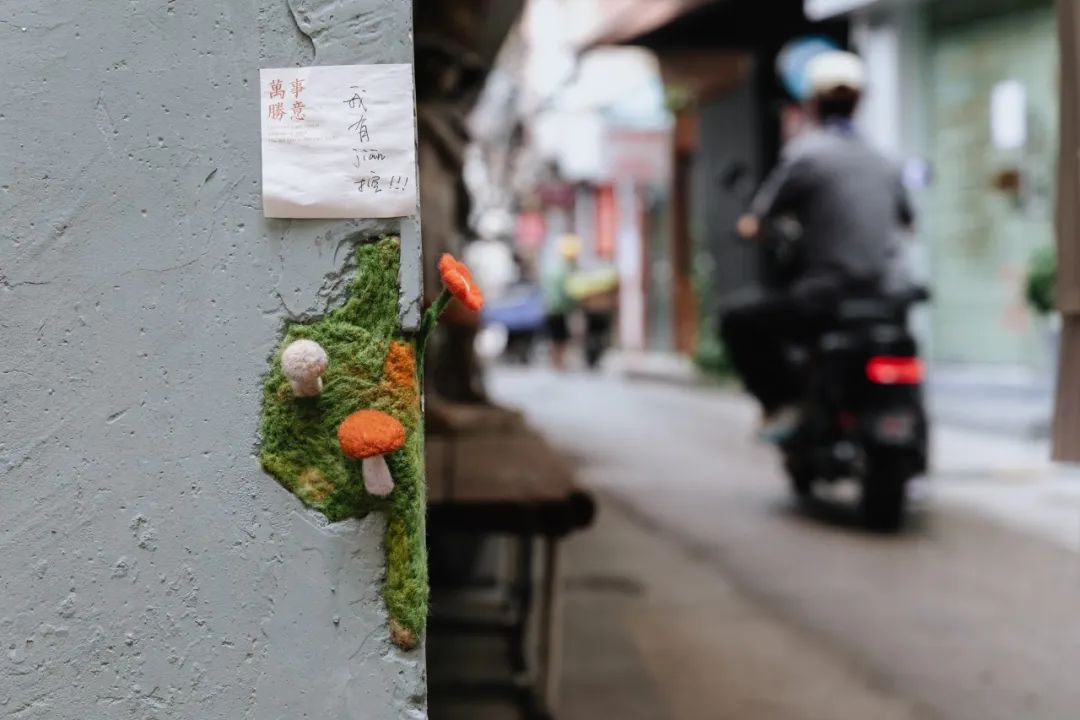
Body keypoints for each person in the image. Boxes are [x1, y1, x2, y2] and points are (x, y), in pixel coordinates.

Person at [721, 50, 915, 440]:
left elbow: (760, 218)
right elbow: (908, 220)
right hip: (887, 295)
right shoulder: (884, 159)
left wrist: (752, 227)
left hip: (826, 297)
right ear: (859, 101)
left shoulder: (806, 154)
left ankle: (783, 404)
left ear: (811, 103)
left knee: (736, 320)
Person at [541, 234, 581, 370]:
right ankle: (558, 363)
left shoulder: (555, 265)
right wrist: (572, 303)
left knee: (556, 337)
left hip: (551, 307)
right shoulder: (564, 268)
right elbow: (566, 290)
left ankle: (556, 362)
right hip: (557, 309)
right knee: (559, 337)